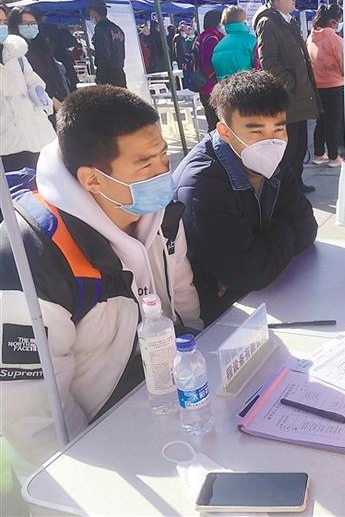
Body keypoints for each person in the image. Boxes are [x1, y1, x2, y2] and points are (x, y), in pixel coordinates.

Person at [0, 85, 202, 468]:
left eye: (164, 155)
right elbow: (35, 418)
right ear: (92, 180)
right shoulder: (30, 257)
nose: (163, 172)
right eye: (145, 163)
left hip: (169, 392)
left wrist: (199, 352)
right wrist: (99, 477)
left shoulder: (160, 213)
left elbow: (182, 291)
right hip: (101, 432)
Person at [173, 71, 317, 324]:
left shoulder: (273, 163)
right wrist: (281, 233)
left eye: (279, 129)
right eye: (256, 132)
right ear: (225, 132)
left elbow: (307, 227)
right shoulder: (201, 184)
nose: (271, 142)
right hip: (220, 319)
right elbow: (251, 273)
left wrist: (259, 249)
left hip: (267, 297)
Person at [254, 0, 321, 194]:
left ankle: (296, 185)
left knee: (300, 146)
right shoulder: (268, 23)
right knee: (289, 150)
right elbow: (269, 62)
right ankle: (287, 191)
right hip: (288, 98)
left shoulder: (287, 20)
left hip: (299, 95)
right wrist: (291, 83)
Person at [0, 3, 56, 173]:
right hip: (6, 142)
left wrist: (42, 100)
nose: (1, 26)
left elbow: (33, 81)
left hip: (35, 132)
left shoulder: (15, 52)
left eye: (4, 22)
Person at [8, 7, 68, 112]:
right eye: (25, 23)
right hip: (39, 107)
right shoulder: (15, 53)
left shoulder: (43, 46)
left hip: (59, 102)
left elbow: (55, 75)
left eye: (33, 23)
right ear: (15, 26)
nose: (30, 26)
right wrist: (52, 100)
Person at [306, 3, 344, 167]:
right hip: (335, 86)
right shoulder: (334, 39)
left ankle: (319, 153)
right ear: (333, 21)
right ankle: (334, 157)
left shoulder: (311, 37)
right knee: (333, 123)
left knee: (321, 122)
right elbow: (344, 64)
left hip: (317, 86)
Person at [195, 10, 225, 131]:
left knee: (213, 124)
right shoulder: (213, 39)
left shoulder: (201, 37)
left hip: (204, 86)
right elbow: (209, 63)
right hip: (211, 87)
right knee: (216, 126)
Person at [88, 0, 126, 88]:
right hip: (119, 72)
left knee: (109, 97)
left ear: (94, 13)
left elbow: (104, 55)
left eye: (90, 13)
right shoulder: (117, 28)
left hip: (107, 74)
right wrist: (95, 53)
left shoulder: (100, 28)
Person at [212, 6, 256, 81]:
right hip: (249, 84)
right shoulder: (251, 40)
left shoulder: (218, 46)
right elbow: (259, 66)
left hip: (225, 87)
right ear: (243, 20)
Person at [43, 23, 80, 92]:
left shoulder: (42, 32)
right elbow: (72, 42)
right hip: (64, 62)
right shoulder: (60, 32)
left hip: (50, 65)